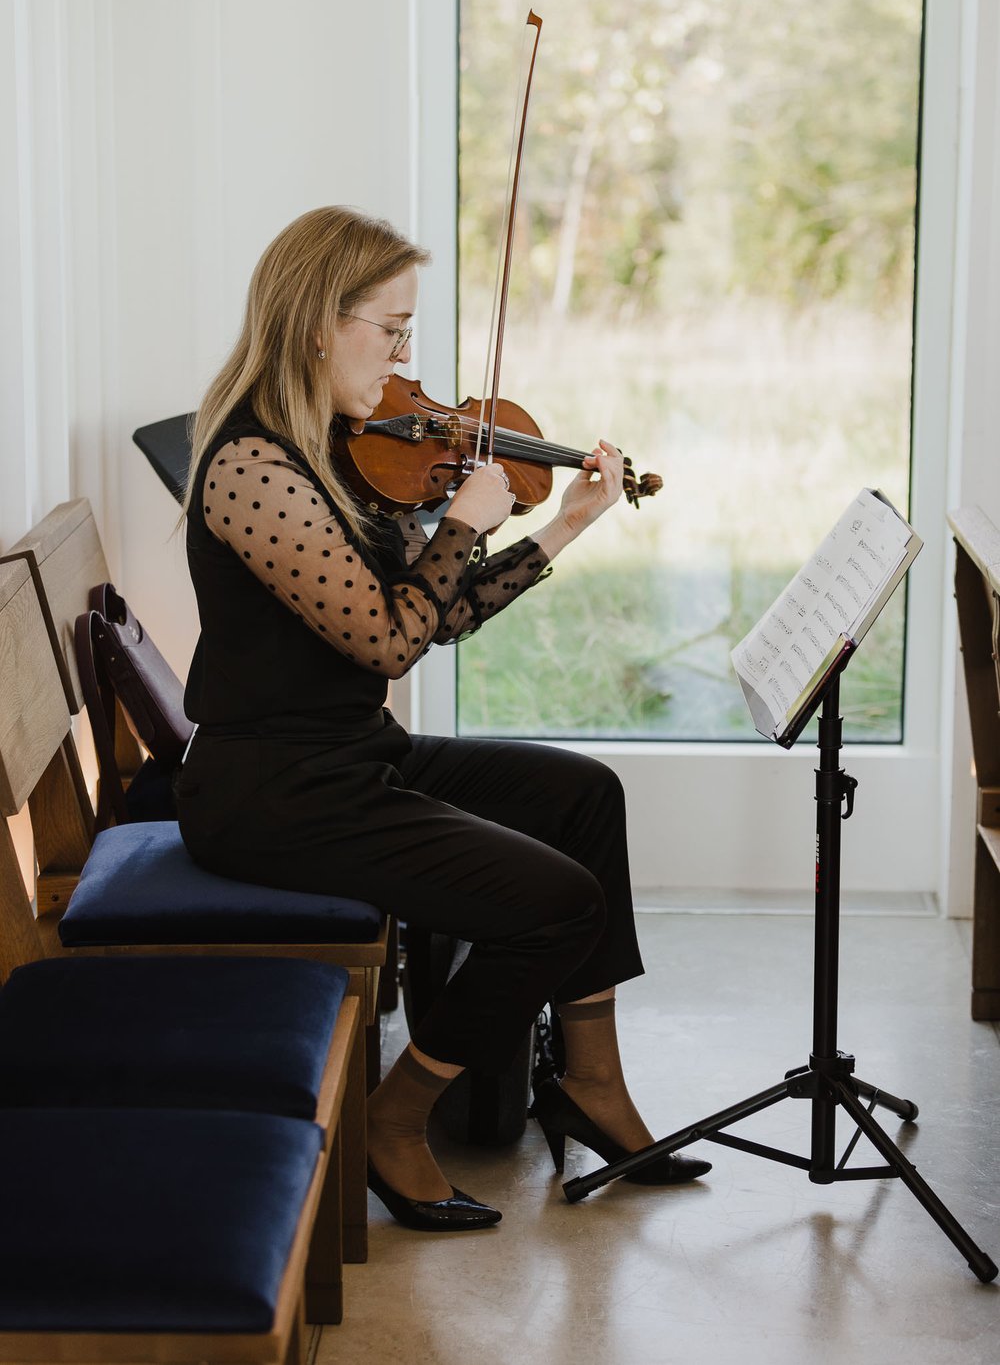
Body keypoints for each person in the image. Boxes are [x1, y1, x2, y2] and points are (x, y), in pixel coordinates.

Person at [177, 205, 710, 1233]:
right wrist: (458, 524)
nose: (405, 360)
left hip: (350, 756)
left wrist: (559, 521)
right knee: (558, 903)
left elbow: (439, 613)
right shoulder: (252, 468)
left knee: (584, 794)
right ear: (316, 325)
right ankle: (396, 1116)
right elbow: (389, 639)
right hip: (273, 792)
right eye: (393, 329)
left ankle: (592, 1081)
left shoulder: (331, 449)